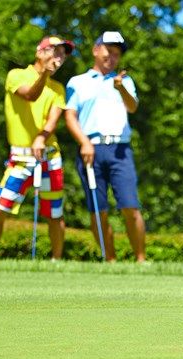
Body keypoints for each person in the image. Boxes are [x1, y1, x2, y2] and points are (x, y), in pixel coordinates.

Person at [0, 35, 74, 263]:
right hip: (20, 158)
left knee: (55, 214)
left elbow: (52, 120)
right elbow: (30, 95)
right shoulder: (16, 75)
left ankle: (56, 261)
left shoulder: (58, 88)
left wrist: (41, 137)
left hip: (49, 157)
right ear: (39, 52)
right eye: (54, 51)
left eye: (63, 54)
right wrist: (44, 74)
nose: (59, 58)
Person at [64, 31, 146, 262]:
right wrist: (84, 142)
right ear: (95, 50)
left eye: (117, 54)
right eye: (109, 51)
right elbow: (70, 116)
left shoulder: (124, 81)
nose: (113, 57)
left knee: (130, 206)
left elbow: (132, 107)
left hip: (120, 150)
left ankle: (141, 260)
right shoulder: (77, 82)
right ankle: (110, 261)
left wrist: (120, 88)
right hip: (90, 150)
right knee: (98, 211)